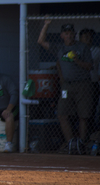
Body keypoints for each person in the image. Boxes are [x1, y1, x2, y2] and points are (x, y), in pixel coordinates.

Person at [38, 20, 93, 153]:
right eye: (66, 33)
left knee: (83, 115)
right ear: (62, 35)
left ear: (75, 34)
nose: (69, 36)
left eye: (71, 33)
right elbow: (41, 41)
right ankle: (70, 144)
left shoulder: (82, 47)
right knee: (62, 113)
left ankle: (81, 144)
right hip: (67, 86)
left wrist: (77, 61)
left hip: (83, 84)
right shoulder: (59, 48)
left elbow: (90, 66)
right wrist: (46, 24)